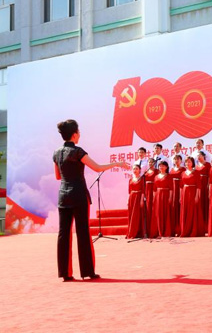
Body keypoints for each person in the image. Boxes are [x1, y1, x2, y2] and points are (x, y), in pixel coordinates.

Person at [53, 119, 129, 281]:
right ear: (74, 135)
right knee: (83, 232)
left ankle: (65, 273)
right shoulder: (78, 152)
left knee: (63, 234)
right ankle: (87, 271)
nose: (80, 134)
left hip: (63, 196)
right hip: (78, 195)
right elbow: (98, 168)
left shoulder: (56, 153)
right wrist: (118, 163)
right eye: (79, 132)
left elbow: (58, 176)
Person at [180, 156, 206, 237]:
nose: (187, 163)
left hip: (193, 192)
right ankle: (185, 230)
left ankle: (193, 229)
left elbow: (198, 186)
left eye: (189, 162)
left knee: (193, 210)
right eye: (186, 162)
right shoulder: (183, 173)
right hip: (185, 193)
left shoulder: (196, 172)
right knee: (185, 210)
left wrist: (197, 196)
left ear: (192, 163)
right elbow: (181, 186)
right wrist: (180, 196)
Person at [153, 161, 173, 237]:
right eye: (160, 166)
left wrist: (170, 197)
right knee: (158, 212)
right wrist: (154, 197)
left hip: (166, 194)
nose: (161, 167)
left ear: (166, 167)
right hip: (158, 195)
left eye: (163, 166)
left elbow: (171, 188)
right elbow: (154, 189)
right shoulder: (156, 176)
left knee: (165, 212)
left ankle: (166, 230)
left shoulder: (169, 176)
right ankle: (159, 230)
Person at [126, 164, 145, 239]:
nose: (135, 170)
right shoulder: (130, 179)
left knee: (137, 215)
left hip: (138, 197)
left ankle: (137, 232)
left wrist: (141, 200)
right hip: (132, 198)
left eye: (136, 169)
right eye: (134, 169)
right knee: (131, 215)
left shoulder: (142, 179)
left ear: (140, 170)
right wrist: (128, 200)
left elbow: (143, 190)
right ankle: (131, 232)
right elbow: (129, 191)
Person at [169, 155, 184, 235]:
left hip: (180, 188)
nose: (176, 161)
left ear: (181, 161)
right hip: (173, 188)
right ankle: (173, 228)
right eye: (175, 159)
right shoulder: (171, 169)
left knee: (180, 206)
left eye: (178, 159)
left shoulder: (183, 169)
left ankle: (180, 228)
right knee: (173, 206)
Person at [195, 151, 211, 223]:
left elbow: (210, 176)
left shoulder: (208, 164)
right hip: (198, 184)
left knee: (205, 199)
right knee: (199, 199)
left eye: (200, 155)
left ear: (204, 156)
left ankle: (206, 218)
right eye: (197, 156)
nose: (198, 157)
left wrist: (208, 184)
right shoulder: (196, 166)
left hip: (205, 183)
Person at [144, 158, 159, 238]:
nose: (150, 163)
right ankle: (147, 230)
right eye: (149, 162)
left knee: (154, 208)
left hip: (154, 189)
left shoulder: (157, 171)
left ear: (154, 163)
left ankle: (155, 229)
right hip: (147, 190)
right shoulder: (145, 172)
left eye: (152, 162)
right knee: (148, 208)